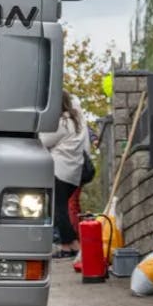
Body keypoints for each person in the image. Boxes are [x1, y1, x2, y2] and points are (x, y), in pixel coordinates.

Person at [41, 92, 90, 258]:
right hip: (73, 172)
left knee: (57, 210)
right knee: (59, 208)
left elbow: (43, 140)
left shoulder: (61, 122)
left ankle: (73, 245)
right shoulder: (78, 121)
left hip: (59, 170)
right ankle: (66, 246)